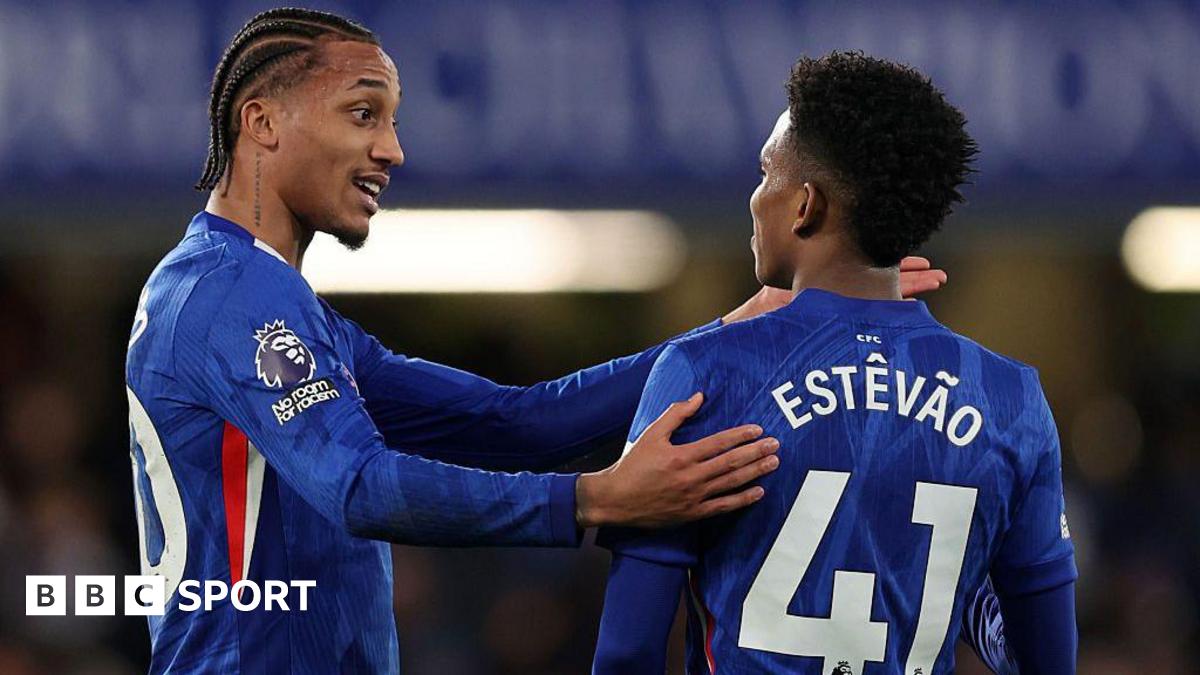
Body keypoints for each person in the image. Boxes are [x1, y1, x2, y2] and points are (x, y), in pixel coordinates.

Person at [125, 9, 950, 674]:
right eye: (363, 112)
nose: (392, 148)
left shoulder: (277, 302)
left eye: (392, 119)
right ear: (260, 121)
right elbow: (360, 487)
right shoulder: (230, 293)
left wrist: (742, 324)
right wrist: (593, 499)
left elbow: (514, 420)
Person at [592, 52, 1076, 674]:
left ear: (805, 206)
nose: (754, 197)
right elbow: (1047, 660)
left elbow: (629, 649)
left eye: (767, 173)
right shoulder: (1011, 399)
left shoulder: (703, 374)